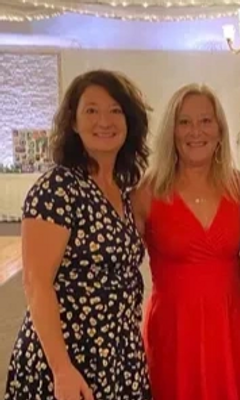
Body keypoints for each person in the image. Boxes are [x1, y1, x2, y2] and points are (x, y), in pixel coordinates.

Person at [4, 69, 152, 400]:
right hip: (70, 355)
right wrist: (61, 369)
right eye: (92, 110)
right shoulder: (58, 187)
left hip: (119, 353)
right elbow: (36, 282)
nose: (105, 121)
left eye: (115, 110)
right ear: (73, 121)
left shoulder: (122, 191)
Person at [132, 84, 240, 400]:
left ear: (220, 130)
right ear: (171, 131)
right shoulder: (147, 192)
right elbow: (118, 260)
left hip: (231, 326)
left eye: (205, 121)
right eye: (184, 122)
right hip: (174, 329)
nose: (195, 131)